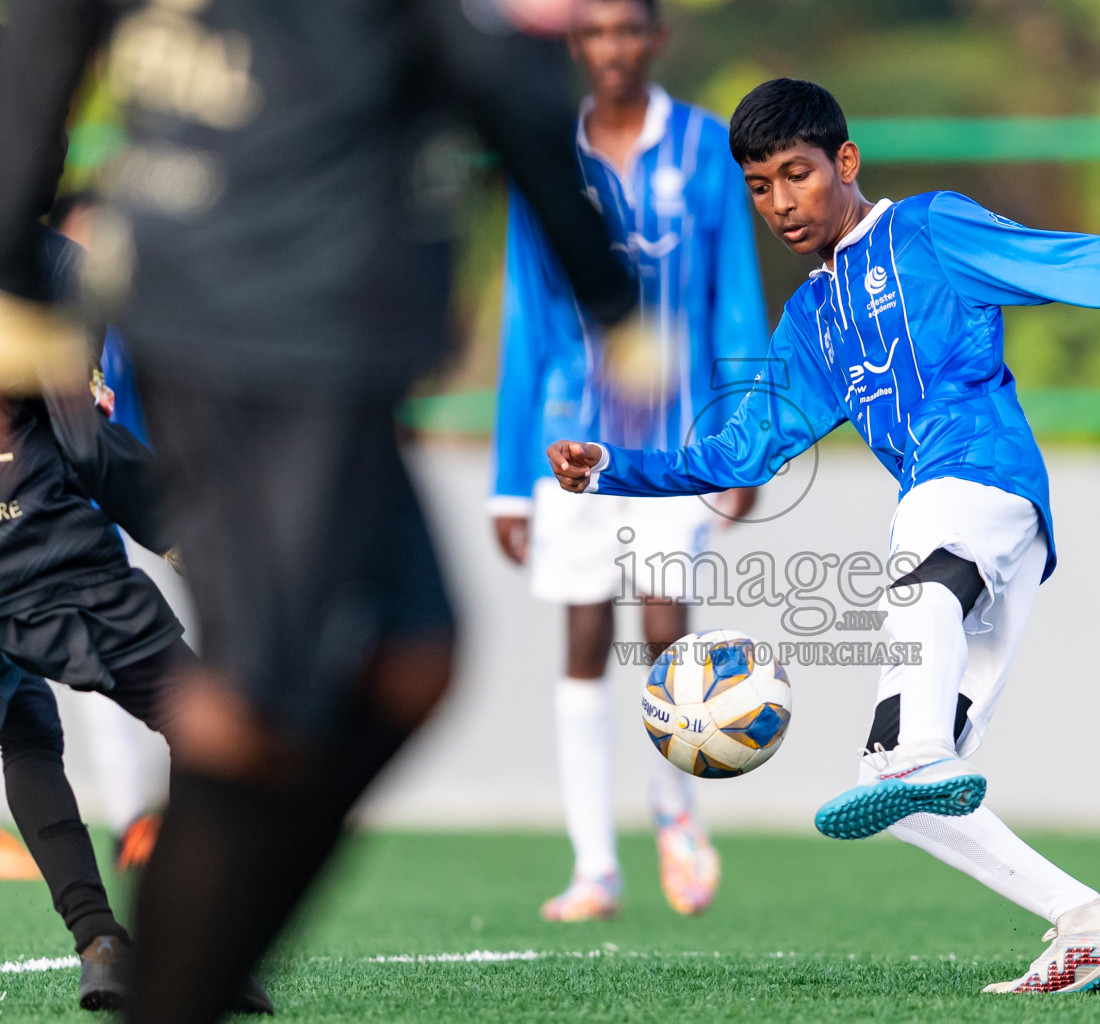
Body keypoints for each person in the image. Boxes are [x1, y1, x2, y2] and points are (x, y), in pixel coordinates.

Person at [547, 78, 1100, 995]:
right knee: (898, 787)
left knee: (919, 545)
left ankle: (920, 744)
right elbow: (745, 448)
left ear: (845, 162)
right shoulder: (808, 322)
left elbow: (1081, 263)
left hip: (984, 489)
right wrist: (613, 467)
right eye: (760, 187)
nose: (781, 203)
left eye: (796, 175)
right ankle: (1090, 922)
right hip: (966, 548)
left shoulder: (929, 232)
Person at [0, 3, 633, 1021]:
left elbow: (498, 75)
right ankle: (169, 977)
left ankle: (177, 972)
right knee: (246, 710)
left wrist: (609, 300)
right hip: (253, 331)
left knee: (405, 661)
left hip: (327, 334)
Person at [490, 0, 768, 921]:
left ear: (656, 39)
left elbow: (735, 297)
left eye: (626, 30)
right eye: (594, 32)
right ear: (576, 44)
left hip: (675, 440)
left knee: (660, 622)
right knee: (579, 638)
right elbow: (526, 314)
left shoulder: (705, 150)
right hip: (568, 440)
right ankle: (593, 867)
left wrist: (746, 438)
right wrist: (506, 480)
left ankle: (675, 810)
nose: (610, 48)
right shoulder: (542, 144)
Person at [0, 215, 271, 1013]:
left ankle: (102, 940)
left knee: (24, 729)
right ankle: (201, 948)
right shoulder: (53, 262)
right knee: (202, 720)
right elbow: (85, 447)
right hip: (47, 549)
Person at [51, 189, 165, 874]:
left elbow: (128, 433)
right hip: (30, 519)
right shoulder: (34, 303)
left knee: (103, 674)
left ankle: (132, 821)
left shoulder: (128, 327)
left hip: (88, 523)